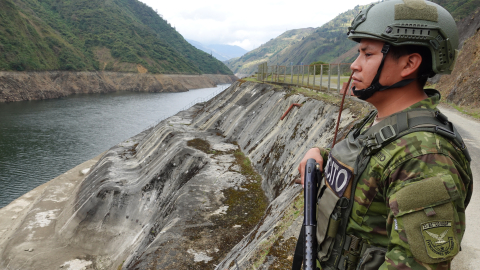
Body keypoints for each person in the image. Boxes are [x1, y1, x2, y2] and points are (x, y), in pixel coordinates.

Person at [296, 0, 473, 269]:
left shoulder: (424, 157)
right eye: (358, 54)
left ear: (409, 64)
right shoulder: (384, 122)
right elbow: (368, 168)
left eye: (367, 55)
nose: (354, 65)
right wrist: (320, 155)